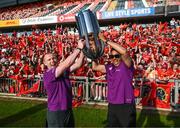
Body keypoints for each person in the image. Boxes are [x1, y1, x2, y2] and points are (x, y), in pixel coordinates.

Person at [92, 32, 136, 127]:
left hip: (126, 104)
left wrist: (105, 40)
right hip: (112, 104)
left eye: (117, 56)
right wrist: (93, 53)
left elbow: (124, 51)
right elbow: (95, 67)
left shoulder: (126, 65)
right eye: (112, 57)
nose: (114, 58)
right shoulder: (109, 67)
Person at [43, 39, 85, 127]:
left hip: (67, 109)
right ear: (45, 63)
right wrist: (78, 48)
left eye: (53, 58)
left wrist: (83, 50)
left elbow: (78, 64)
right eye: (49, 59)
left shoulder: (62, 71)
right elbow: (67, 63)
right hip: (56, 111)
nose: (52, 61)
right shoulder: (48, 74)